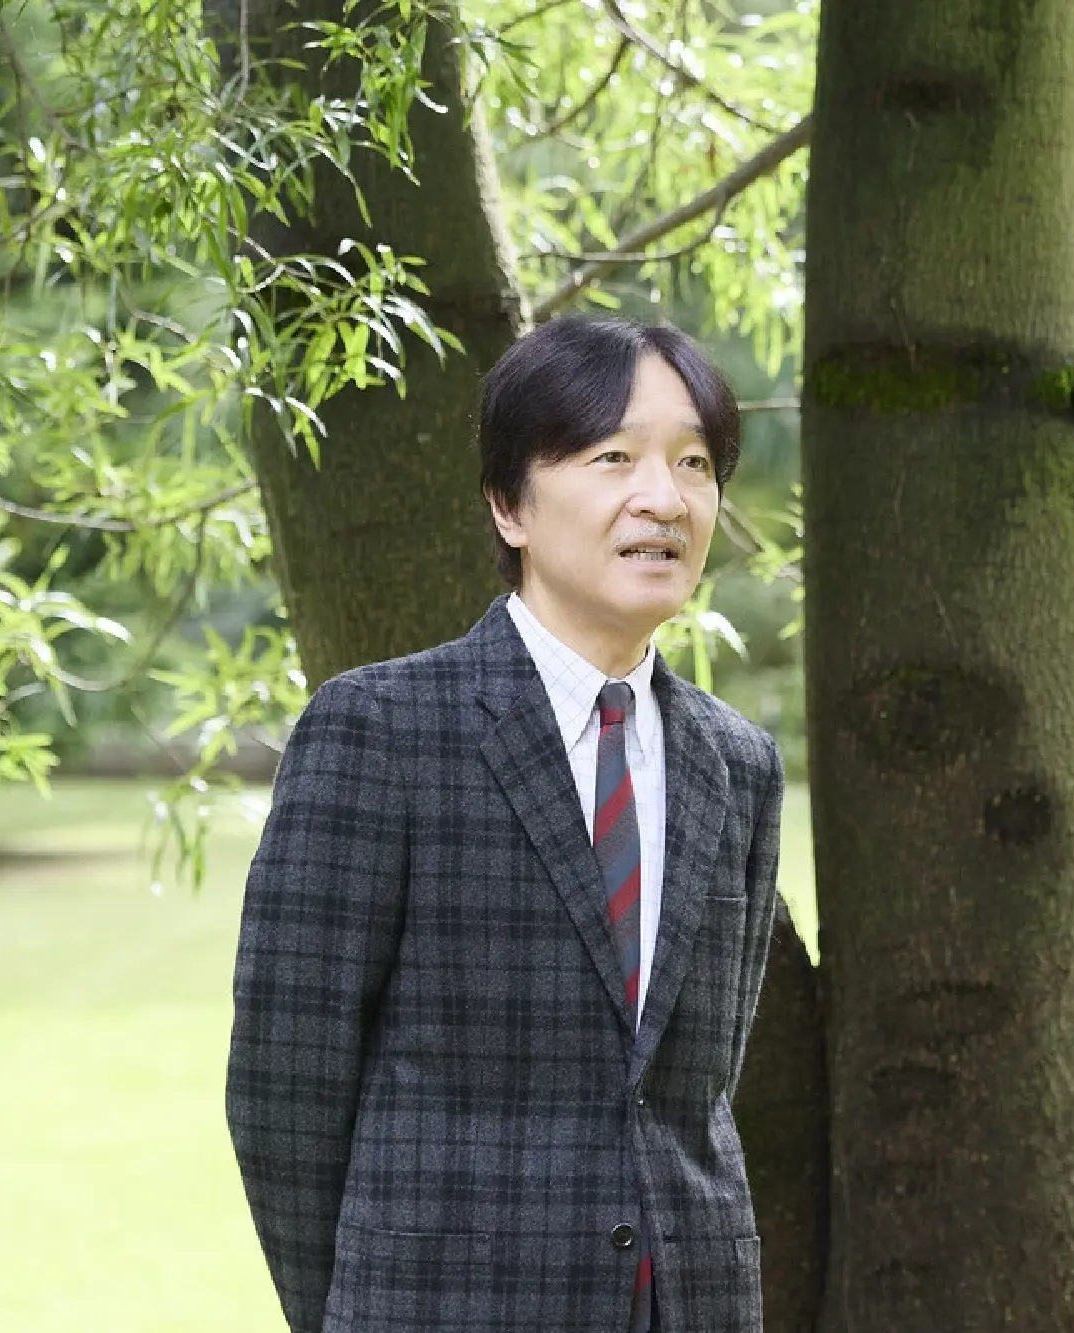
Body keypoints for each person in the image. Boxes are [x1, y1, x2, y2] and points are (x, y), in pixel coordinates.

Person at [226, 315, 783, 1333]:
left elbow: (694, 1092)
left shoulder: (737, 764)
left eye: (694, 462)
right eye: (614, 455)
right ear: (507, 502)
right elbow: (283, 1090)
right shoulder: (381, 731)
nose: (663, 496)